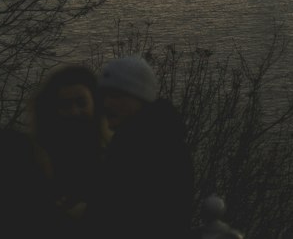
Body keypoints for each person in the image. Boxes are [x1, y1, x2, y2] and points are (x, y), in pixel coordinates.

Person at [86, 54, 194, 239]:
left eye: (117, 96)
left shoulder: (153, 150)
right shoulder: (147, 139)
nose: (107, 103)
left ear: (141, 99)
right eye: (103, 96)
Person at [29, 62, 106, 219]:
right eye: (65, 105)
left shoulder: (114, 151)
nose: (75, 112)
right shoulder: (37, 157)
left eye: (81, 103)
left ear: (96, 103)